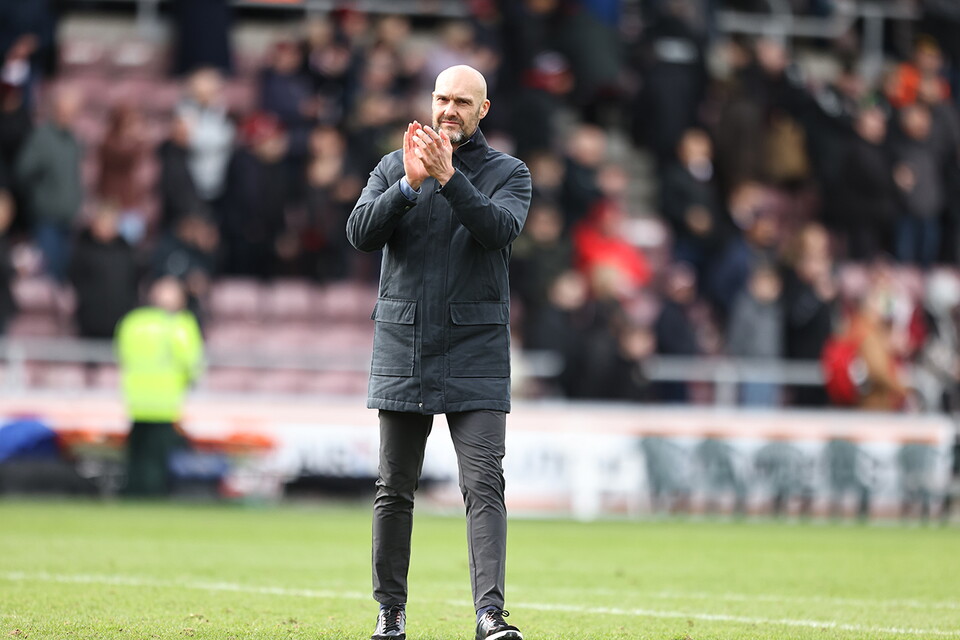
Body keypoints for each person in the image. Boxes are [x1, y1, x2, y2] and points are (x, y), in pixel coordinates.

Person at [347, 64, 529, 640]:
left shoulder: (509, 173)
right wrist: (407, 186)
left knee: (483, 486)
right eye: (441, 98)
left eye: (461, 102)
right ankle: (390, 614)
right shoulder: (392, 165)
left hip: (475, 350)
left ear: (483, 110)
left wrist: (450, 180)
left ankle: (490, 616)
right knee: (393, 488)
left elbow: (498, 230)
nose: (448, 110)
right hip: (404, 345)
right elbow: (359, 233)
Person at [115, 277, 204, 497]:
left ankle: (131, 494)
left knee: (137, 454)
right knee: (158, 458)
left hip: (136, 399)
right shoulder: (180, 325)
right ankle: (155, 496)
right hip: (165, 401)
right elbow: (192, 361)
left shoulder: (132, 322)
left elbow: (122, 354)